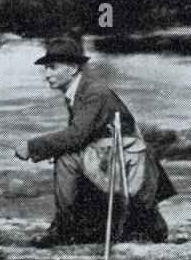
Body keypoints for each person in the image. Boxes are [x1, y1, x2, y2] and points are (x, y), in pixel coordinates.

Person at [14, 36, 176, 246]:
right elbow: (82, 136)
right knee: (66, 157)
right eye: (46, 69)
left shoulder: (93, 93)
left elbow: (76, 135)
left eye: (52, 67)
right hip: (113, 160)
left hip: (130, 165)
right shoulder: (80, 91)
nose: (47, 75)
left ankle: (64, 231)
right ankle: (75, 227)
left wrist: (32, 146)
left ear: (72, 68)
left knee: (66, 160)